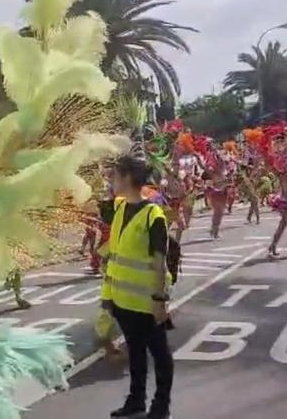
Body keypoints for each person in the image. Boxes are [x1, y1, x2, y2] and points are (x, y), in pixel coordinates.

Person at [100, 156, 174, 419]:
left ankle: (161, 405)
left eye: (116, 175)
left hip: (146, 302)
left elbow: (158, 261)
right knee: (136, 355)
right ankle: (136, 401)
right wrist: (107, 299)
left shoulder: (153, 215)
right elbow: (115, 257)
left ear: (129, 178)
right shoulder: (119, 209)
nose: (112, 180)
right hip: (123, 301)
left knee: (160, 355)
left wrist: (159, 299)